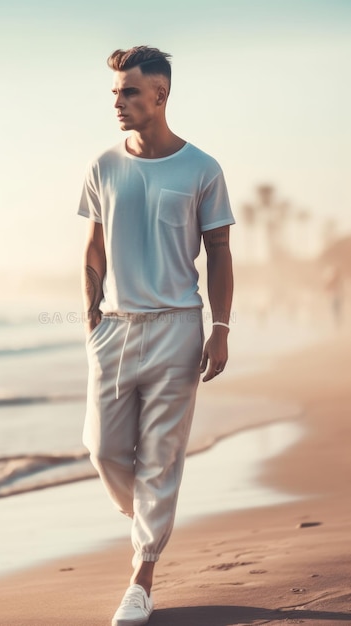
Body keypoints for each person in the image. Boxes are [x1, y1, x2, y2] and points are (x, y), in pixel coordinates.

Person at [78, 46, 235, 626]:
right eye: (115, 92)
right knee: (103, 450)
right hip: (114, 331)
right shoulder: (102, 165)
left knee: (161, 459)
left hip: (176, 329)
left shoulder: (202, 170)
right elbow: (94, 246)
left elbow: (219, 252)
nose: (117, 102)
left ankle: (141, 578)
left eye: (129, 92)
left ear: (160, 96)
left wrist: (219, 328)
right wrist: (90, 317)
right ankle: (148, 514)